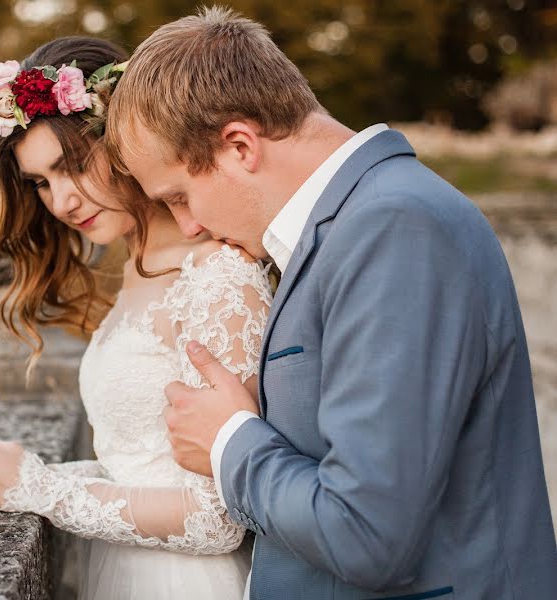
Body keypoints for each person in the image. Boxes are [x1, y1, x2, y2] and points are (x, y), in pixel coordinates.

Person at [104, 6, 557, 599]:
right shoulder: (354, 224)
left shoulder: (394, 227)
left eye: (181, 196)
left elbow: (367, 534)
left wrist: (228, 442)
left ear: (239, 146)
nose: (187, 227)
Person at [0, 37, 274, 599]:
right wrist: (19, 477)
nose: (62, 202)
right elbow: (141, 464)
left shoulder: (219, 277)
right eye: (42, 183)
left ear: (123, 139)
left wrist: (41, 488)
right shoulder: (135, 269)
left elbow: (218, 517)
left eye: (73, 165)